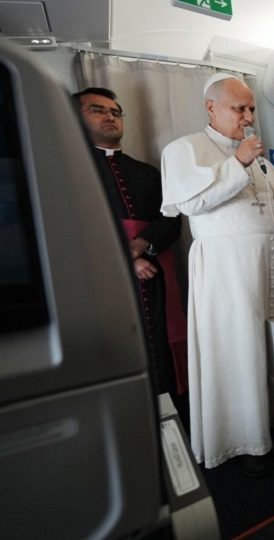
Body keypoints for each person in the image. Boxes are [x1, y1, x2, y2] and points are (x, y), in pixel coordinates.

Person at [160, 73, 274, 475]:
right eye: (240, 108)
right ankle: (243, 441)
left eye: (252, 108)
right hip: (227, 278)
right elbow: (189, 203)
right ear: (211, 107)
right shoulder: (185, 149)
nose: (249, 117)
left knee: (273, 350)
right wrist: (237, 162)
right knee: (237, 354)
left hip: (271, 270)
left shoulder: (261, 160)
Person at [73, 87, 186, 398]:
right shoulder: (67, 168)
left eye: (115, 112)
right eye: (98, 110)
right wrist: (126, 259)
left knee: (161, 350)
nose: (110, 116)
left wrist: (138, 247)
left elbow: (172, 220)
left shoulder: (147, 173)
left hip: (154, 277)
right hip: (98, 282)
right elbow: (72, 226)